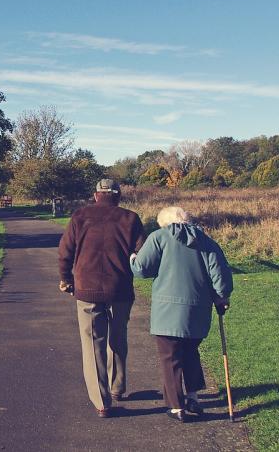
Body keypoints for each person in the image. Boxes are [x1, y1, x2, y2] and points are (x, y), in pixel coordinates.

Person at [130, 206, 233, 423]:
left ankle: (176, 406)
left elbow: (141, 269)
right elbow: (220, 275)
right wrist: (222, 297)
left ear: (164, 223)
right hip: (198, 310)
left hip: (167, 312)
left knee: (170, 357)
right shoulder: (206, 241)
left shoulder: (159, 237)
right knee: (190, 352)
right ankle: (193, 396)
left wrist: (132, 258)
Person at [58, 179, 145, 418]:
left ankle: (102, 402)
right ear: (117, 196)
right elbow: (142, 254)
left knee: (92, 344)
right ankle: (117, 387)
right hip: (120, 290)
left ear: (96, 195)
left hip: (87, 289)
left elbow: (65, 250)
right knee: (118, 338)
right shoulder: (131, 218)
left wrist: (65, 279)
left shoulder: (79, 216)